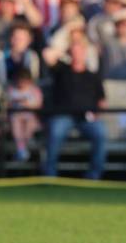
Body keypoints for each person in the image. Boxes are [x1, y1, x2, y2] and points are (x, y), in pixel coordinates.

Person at [42, 38, 107, 179]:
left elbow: (102, 100)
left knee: (100, 133)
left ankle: (94, 176)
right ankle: (50, 174)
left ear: (85, 53)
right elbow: (47, 54)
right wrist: (65, 49)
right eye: (74, 51)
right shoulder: (61, 71)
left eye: (80, 51)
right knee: (55, 132)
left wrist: (98, 114)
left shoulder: (93, 76)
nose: (77, 54)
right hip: (63, 115)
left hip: (87, 117)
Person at [6, 68, 42, 161]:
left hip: (31, 117)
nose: (22, 83)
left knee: (29, 123)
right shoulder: (11, 90)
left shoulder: (34, 90)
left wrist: (26, 104)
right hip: (15, 117)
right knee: (16, 122)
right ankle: (21, 148)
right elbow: (7, 104)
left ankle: (24, 146)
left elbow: (38, 104)